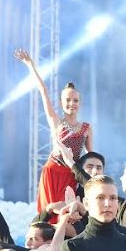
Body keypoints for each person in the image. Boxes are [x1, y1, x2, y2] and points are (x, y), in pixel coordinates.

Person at [15, 48, 92, 214]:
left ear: (80, 103)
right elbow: (43, 90)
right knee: (50, 215)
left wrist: (94, 179)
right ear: (61, 103)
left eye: (75, 100)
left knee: (69, 215)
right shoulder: (56, 122)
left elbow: (91, 158)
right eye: (68, 100)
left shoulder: (86, 128)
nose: (72, 104)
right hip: (53, 172)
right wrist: (30, 64)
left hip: (71, 175)